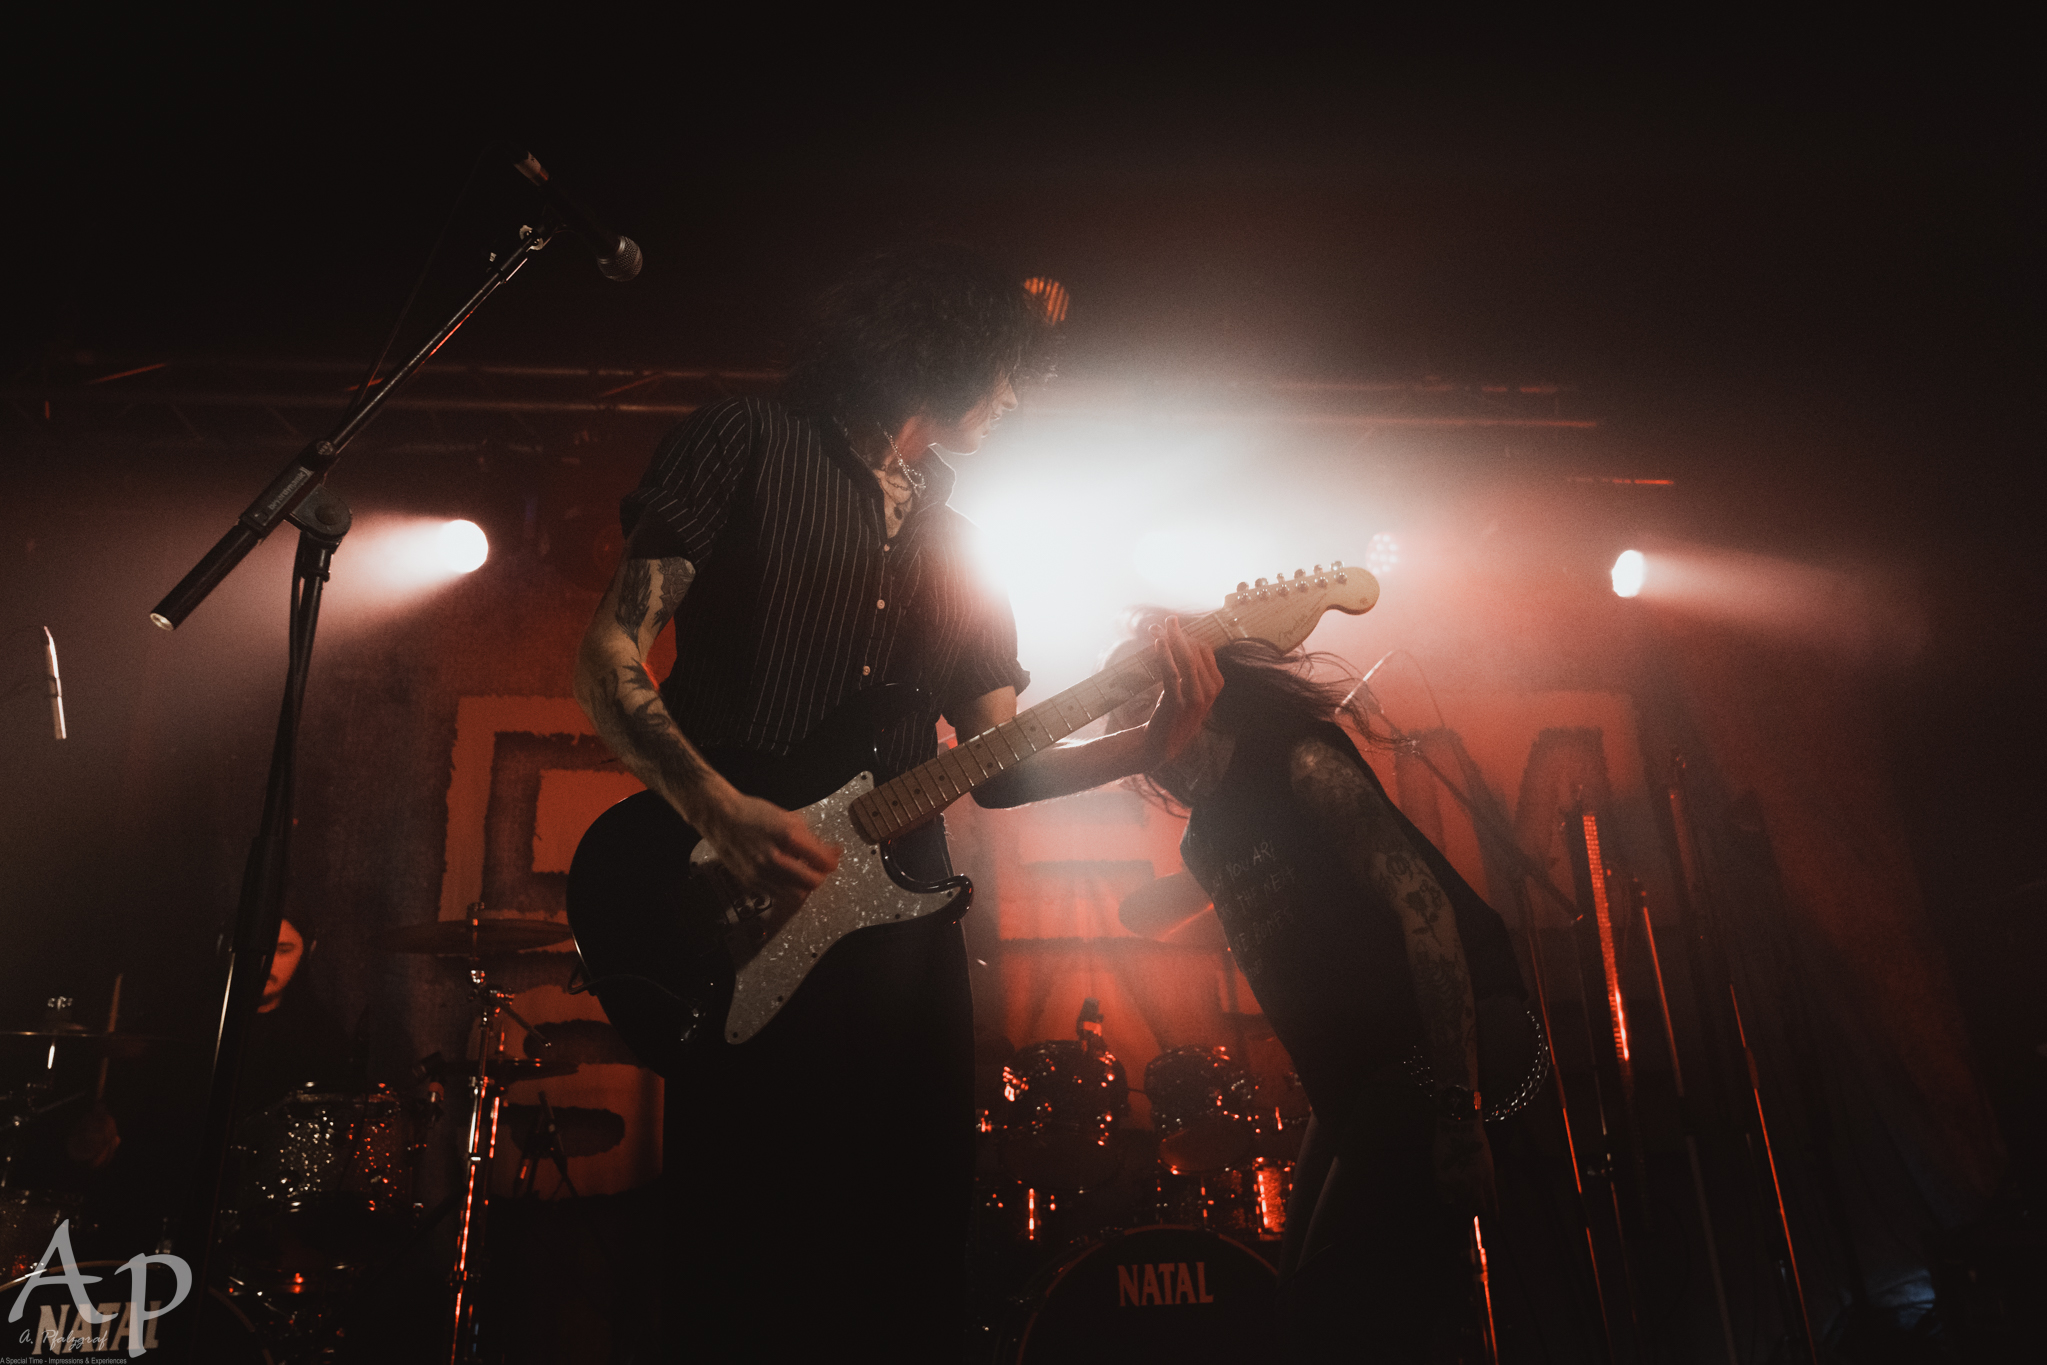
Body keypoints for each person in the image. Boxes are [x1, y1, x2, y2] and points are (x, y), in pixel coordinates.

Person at [572, 245, 1220, 1361]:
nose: (1013, 399)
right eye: (1007, 370)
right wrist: (721, 809)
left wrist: (1144, 741)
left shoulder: (963, 545)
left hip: (903, 932)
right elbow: (608, 654)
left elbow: (998, 766)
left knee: (907, 1251)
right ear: (945, 349)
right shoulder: (747, 440)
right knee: (753, 1252)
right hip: (740, 903)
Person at [1144, 637, 1532, 1361]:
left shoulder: (1302, 761)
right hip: (1362, 1081)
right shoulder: (1203, 839)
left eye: (1135, 710)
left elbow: (1426, 914)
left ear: (1193, 692)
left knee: (1327, 1315)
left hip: (1445, 1043)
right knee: (1299, 1308)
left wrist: (1458, 1114)